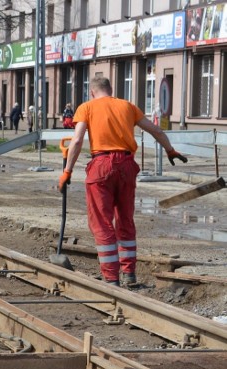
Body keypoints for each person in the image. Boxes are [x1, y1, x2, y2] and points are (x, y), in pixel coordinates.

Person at [59, 76, 188, 288]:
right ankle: (129, 274)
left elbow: (77, 139)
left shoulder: (87, 107)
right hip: (127, 165)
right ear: (111, 90)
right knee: (125, 220)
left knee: (102, 222)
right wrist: (170, 150)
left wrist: (67, 171)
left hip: (101, 165)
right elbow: (155, 130)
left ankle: (111, 278)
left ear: (92, 92)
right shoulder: (127, 106)